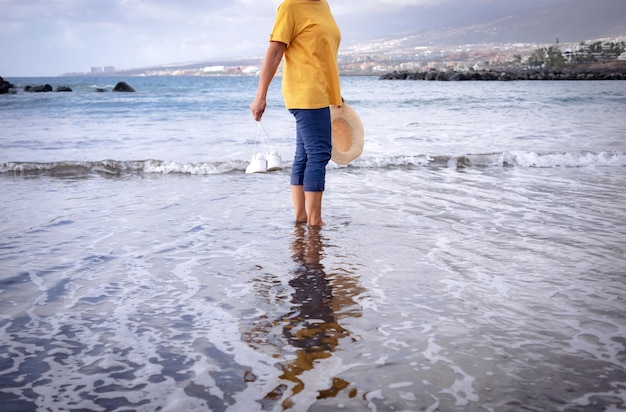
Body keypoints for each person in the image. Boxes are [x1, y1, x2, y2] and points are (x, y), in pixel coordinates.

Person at [250, 0, 342, 227]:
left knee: (305, 155)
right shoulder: (290, 7)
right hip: (305, 90)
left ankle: (302, 217)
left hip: (320, 91)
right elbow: (274, 51)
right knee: (319, 154)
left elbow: (321, 55)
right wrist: (261, 95)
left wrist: (335, 93)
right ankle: (315, 220)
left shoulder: (323, 6)